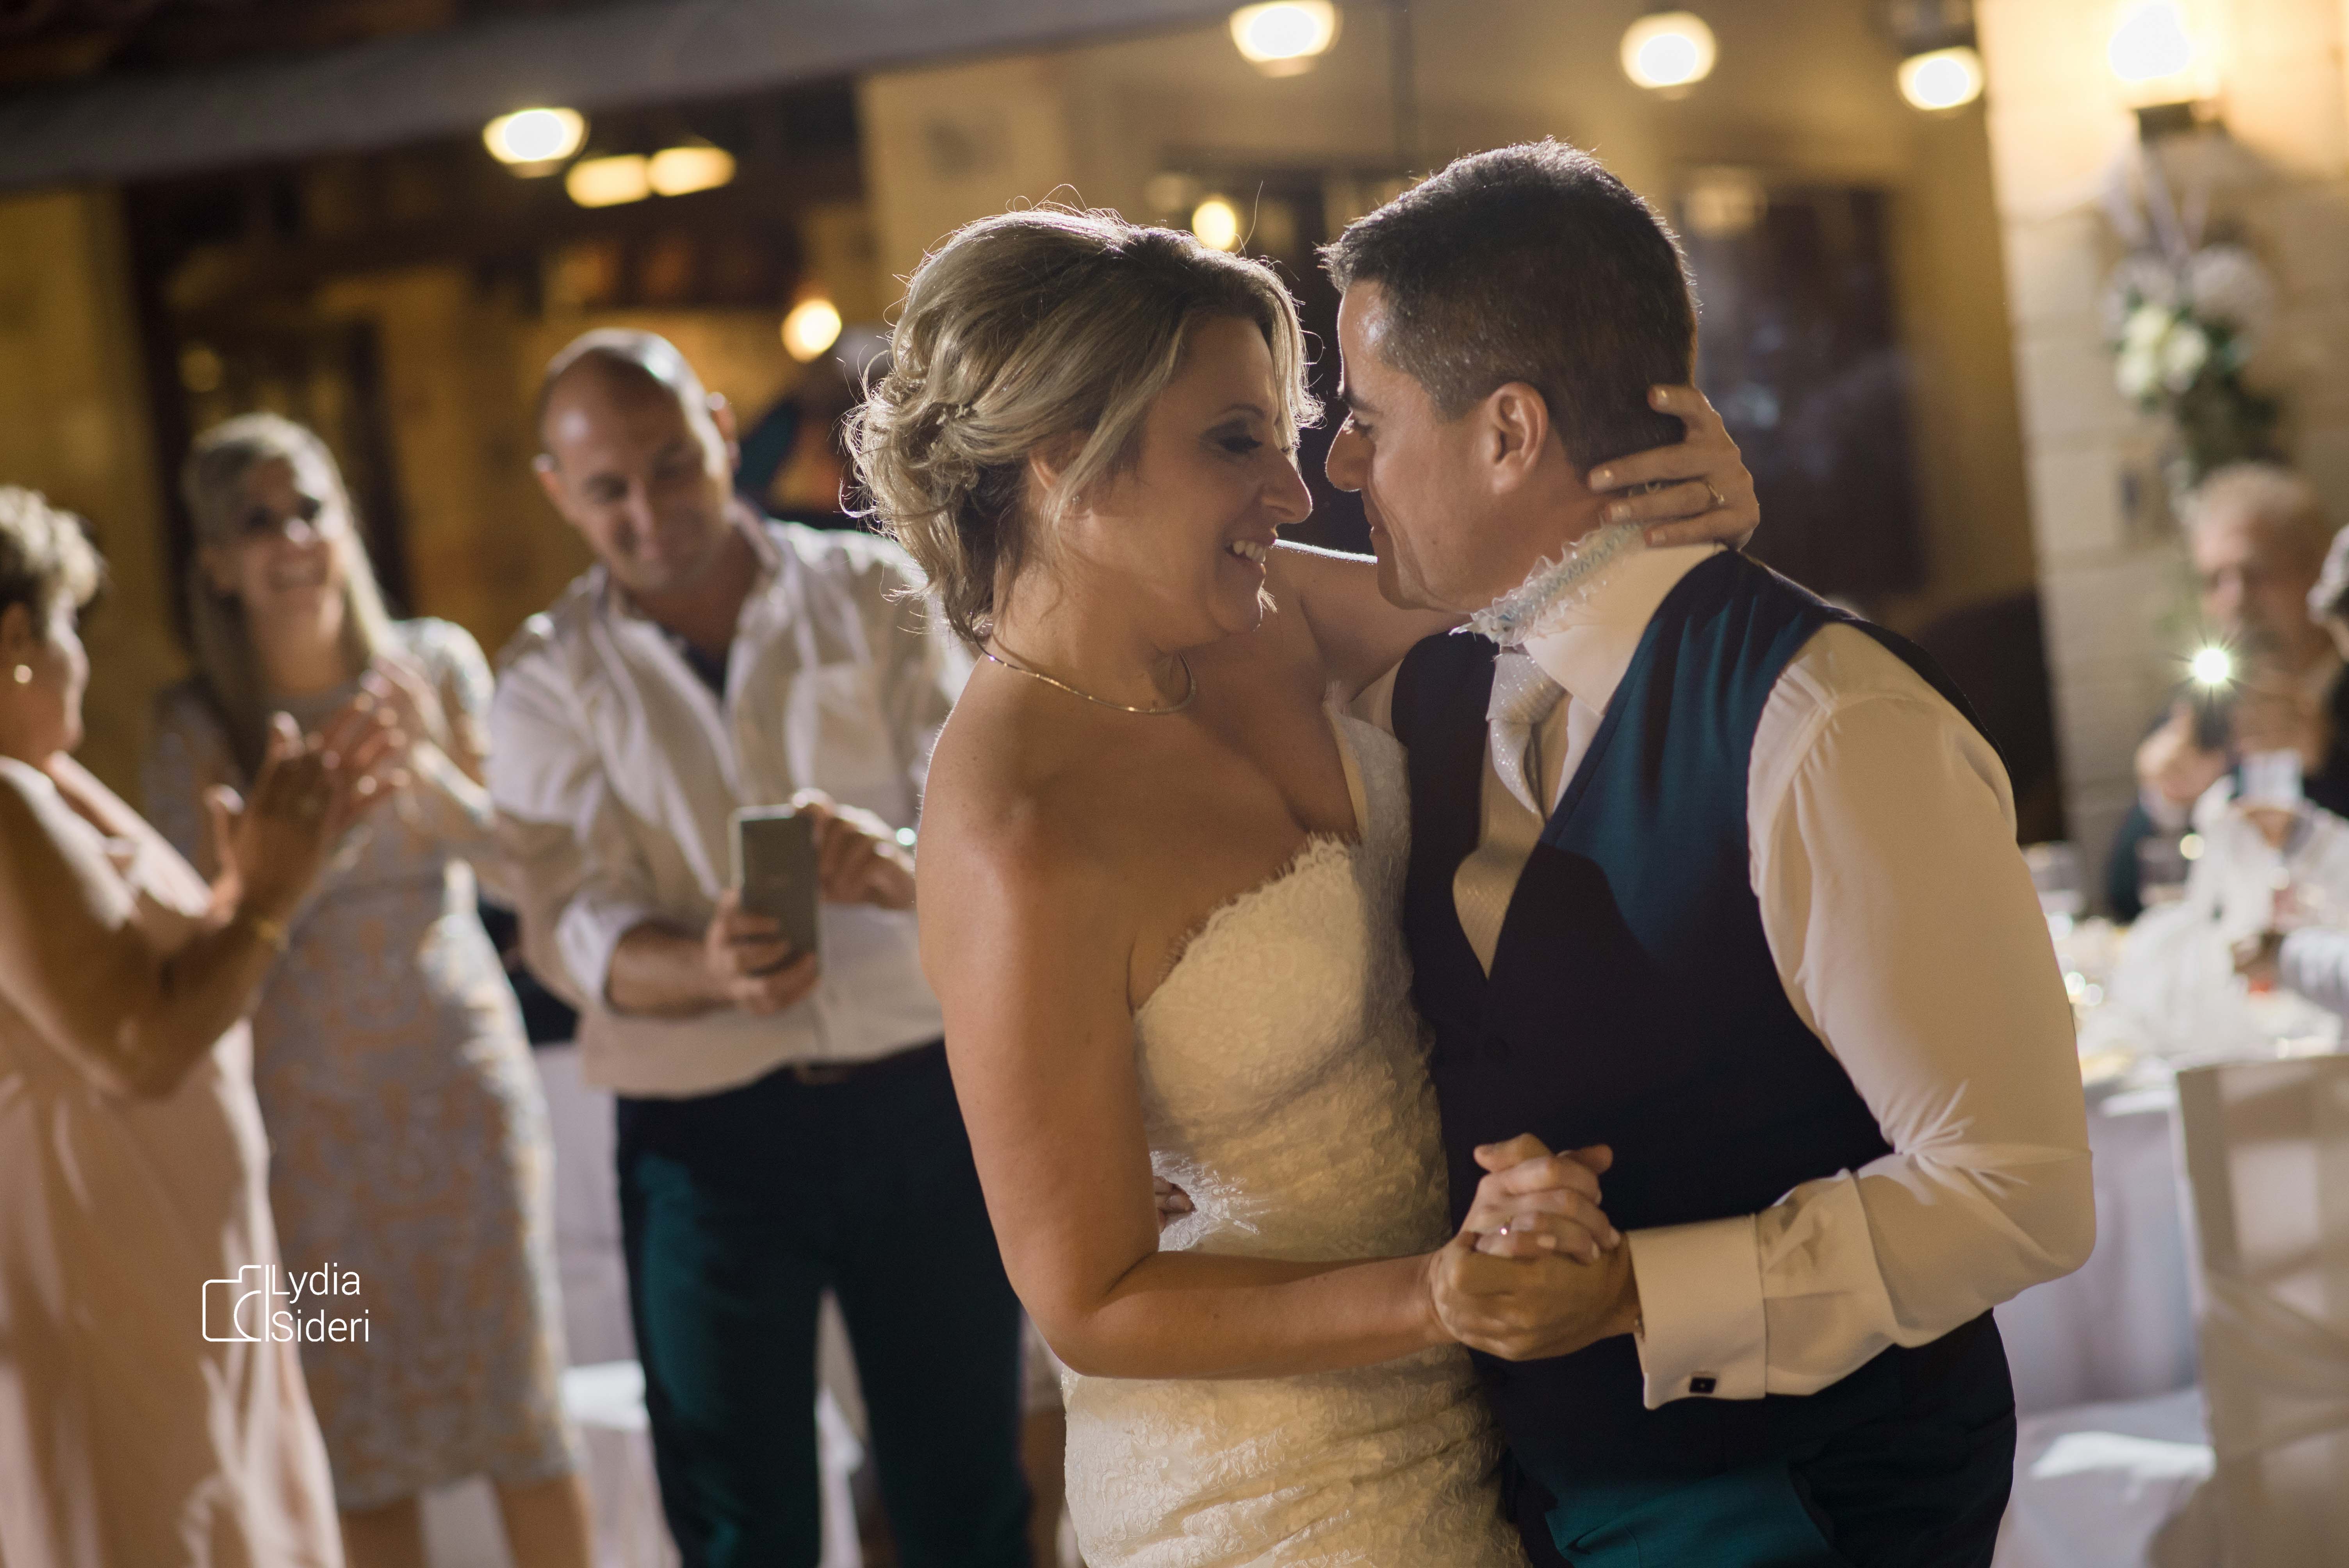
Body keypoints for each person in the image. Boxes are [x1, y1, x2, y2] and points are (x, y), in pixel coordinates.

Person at [855, 204, 1760, 1565]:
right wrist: (1434, 1295)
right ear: (1062, 456)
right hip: (1263, 1479)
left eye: (1282, 439)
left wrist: (1683, 520)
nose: (1291, 493)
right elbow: (1090, 1301)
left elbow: (1535, 582)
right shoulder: (1014, 829)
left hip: (1487, 1397)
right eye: (1235, 444)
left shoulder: (1258, 611)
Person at [1324, 142, 2093, 1566]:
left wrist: (1636, 1292)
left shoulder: (1823, 720)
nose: (1338, 463)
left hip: (1809, 1502)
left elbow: (2016, 1187)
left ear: (1508, 433)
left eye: (1368, 417)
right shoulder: (1429, 691)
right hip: (1534, 1494)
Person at [488, 329, 1027, 1567]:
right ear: (557, 492)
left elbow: (992, 814)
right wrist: (702, 969)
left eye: (671, 466)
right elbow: (566, 920)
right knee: (741, 1526)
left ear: (723, 434)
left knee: (965, 1502)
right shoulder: (543, 679)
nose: (648, 511)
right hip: (705, 1137)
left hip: (917, 1096)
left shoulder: (875, 591)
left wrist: (898, 862)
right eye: (608, 489)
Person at [145, 415, 590, 1568]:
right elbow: (186, 939)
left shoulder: (433, 663)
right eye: (258, 521)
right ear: (216, 564)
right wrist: (296, 855)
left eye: (311, 508)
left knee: (522, 1411)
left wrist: (433, 775)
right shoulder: (196, 726)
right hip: (306, 1131)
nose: (293, 538)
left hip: (461, 1097)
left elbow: (530, 873)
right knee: (354, 1433)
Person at [0, 485, 392, 1566]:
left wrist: (252, 887)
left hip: (185, 1265)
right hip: (106, 1272)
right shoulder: (3, 801)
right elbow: (136, 1045)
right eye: (73, 628)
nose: (83, 661)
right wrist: (267, 897)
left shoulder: (46, 784)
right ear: (17, 637)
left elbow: (152, 981)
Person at [2108, 463, 2345, 916]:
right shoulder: (2205, 705)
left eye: (2256, 573)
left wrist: (2327, 759)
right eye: (2215, 580)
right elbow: (2123, 898)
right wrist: (2165, 802)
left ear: (2315, 574)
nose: (2236, 600)